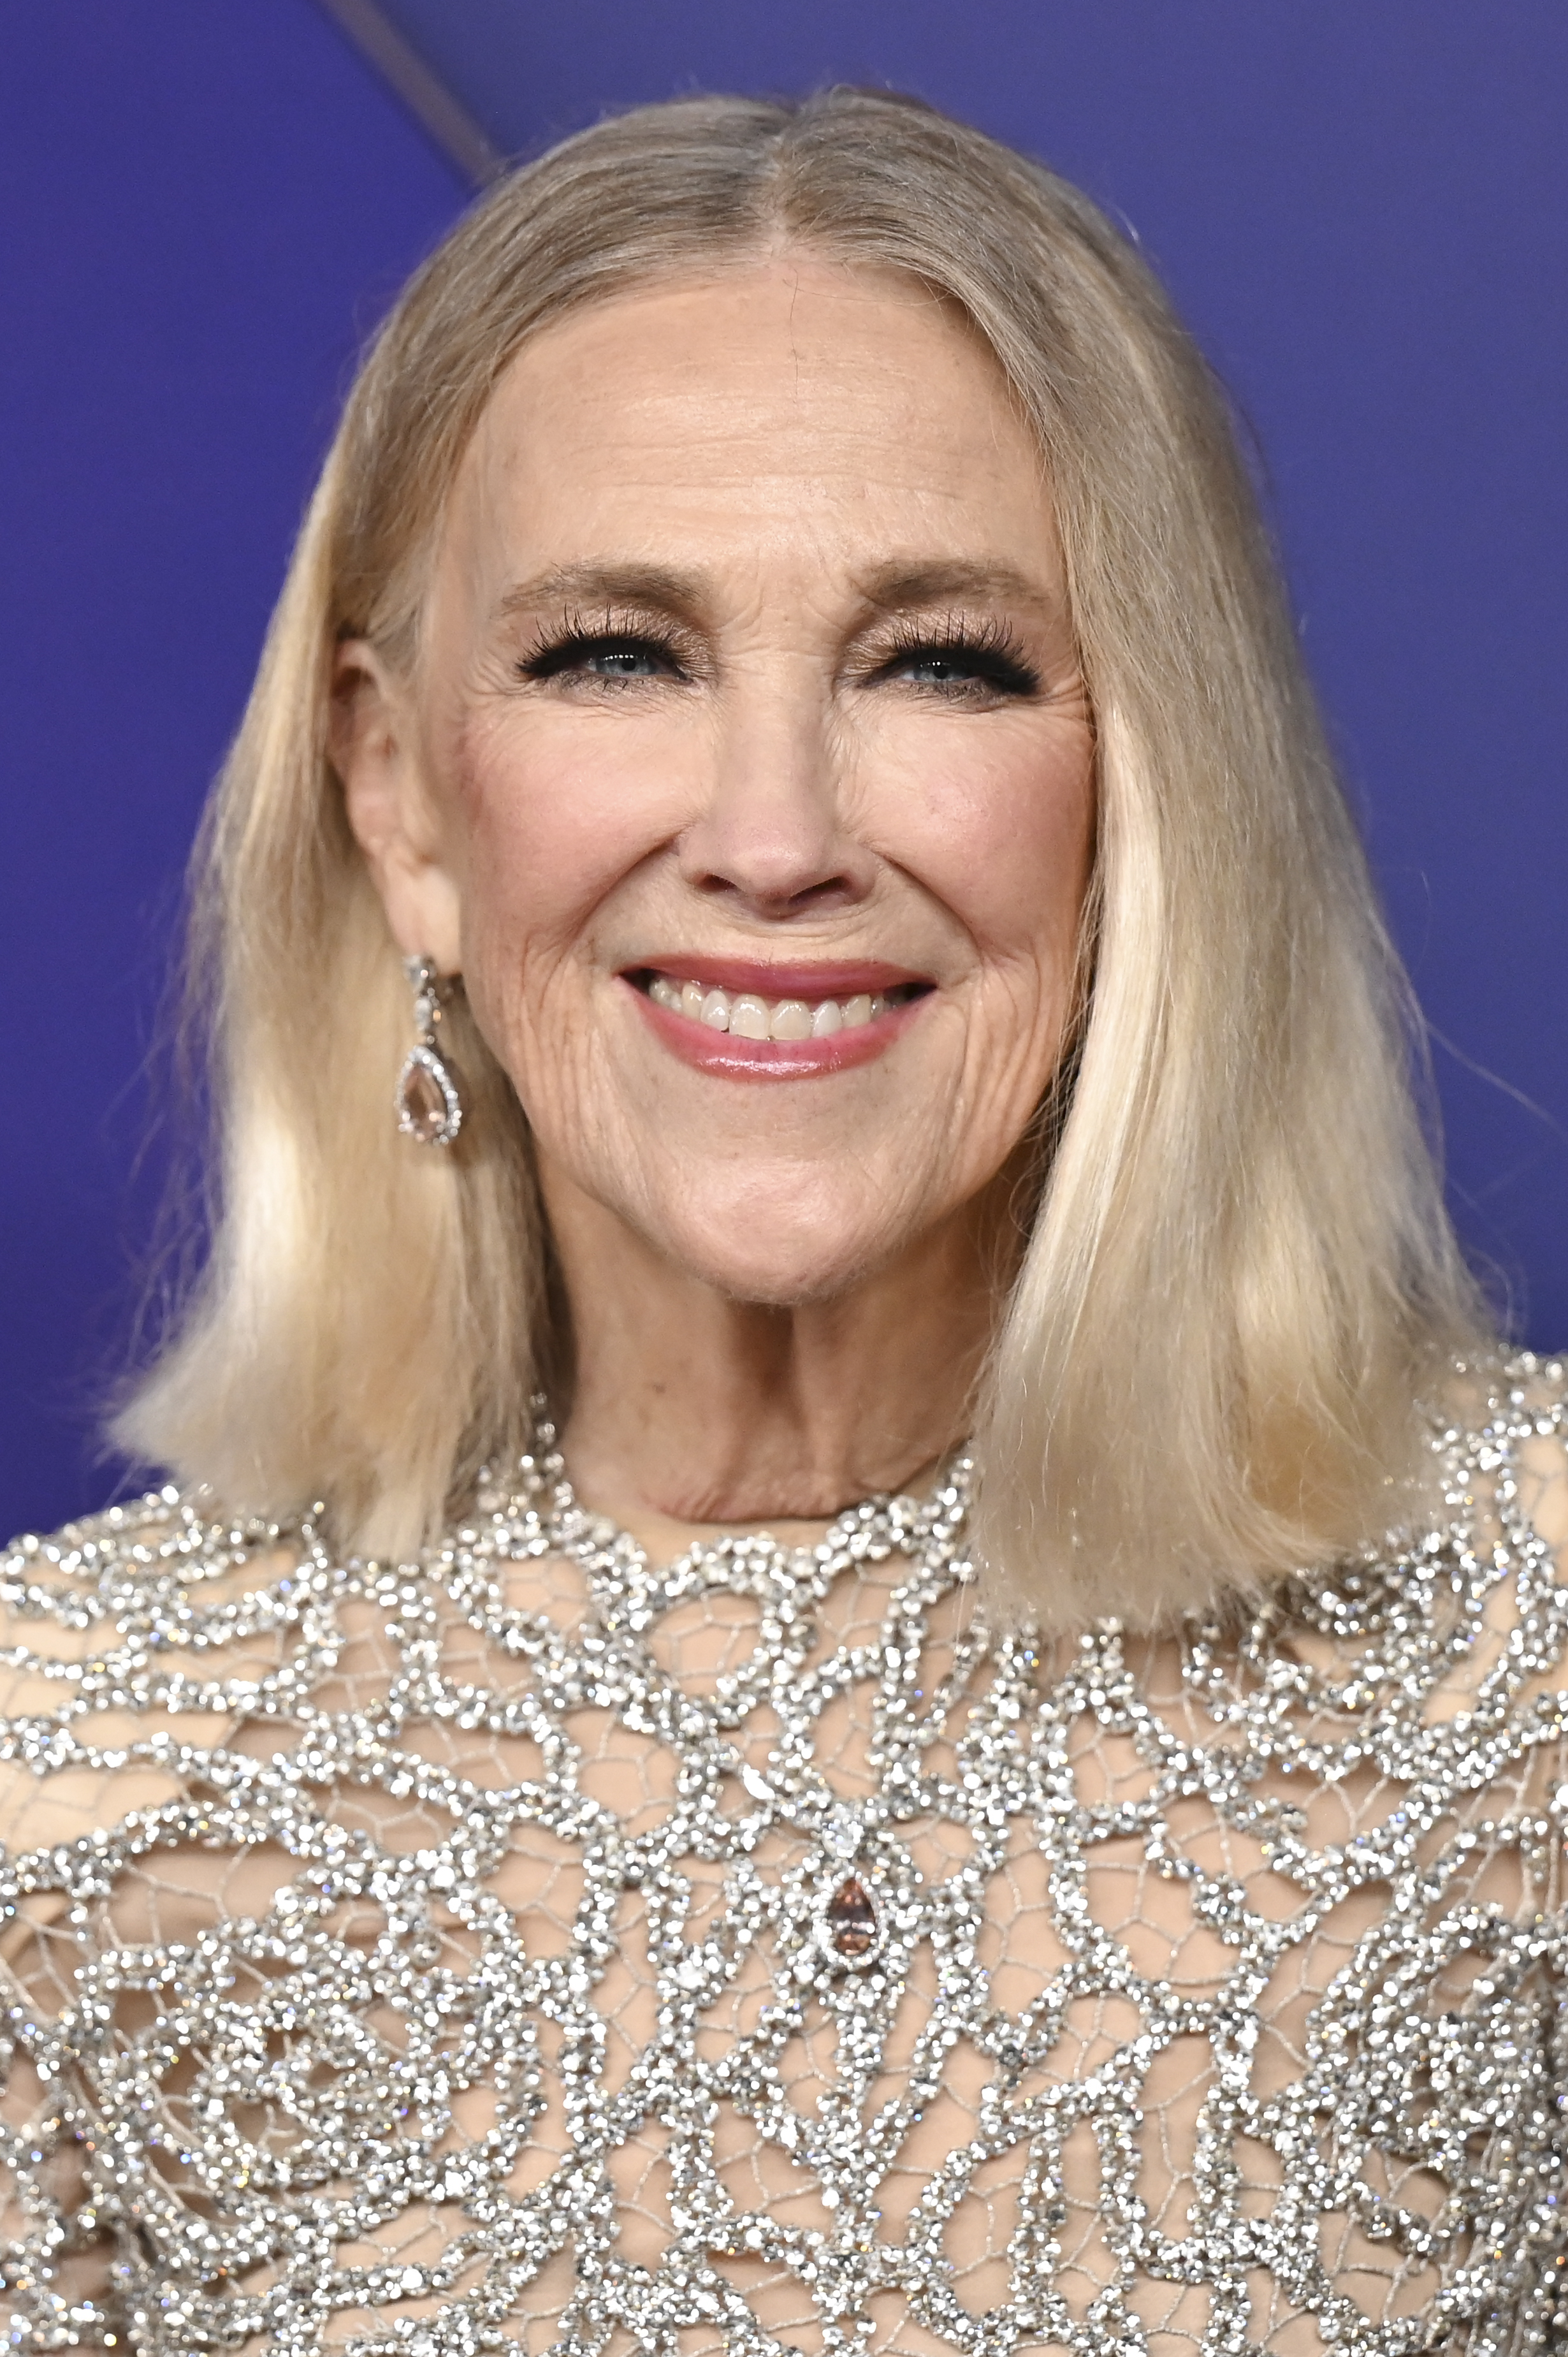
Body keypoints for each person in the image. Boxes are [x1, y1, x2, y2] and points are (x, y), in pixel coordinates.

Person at [0, 87, 1562, 2356]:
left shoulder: (1532, 1647)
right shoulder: (55, 1767)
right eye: (612, 655)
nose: (772, 833)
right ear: (401, 792)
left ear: (1145, 787)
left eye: (941, 660)